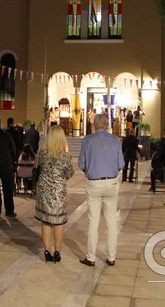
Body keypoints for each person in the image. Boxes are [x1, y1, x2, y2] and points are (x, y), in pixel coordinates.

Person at [78, 113, 124, 267]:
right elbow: (121, 163)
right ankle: (111, 257)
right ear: (106, 125)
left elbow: (81, 163)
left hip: (94, 183)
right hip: (111, 182)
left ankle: (91, 257)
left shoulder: (88, 140)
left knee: (93, 221)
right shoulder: (115, 140)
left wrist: (90, 170)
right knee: (111, 220)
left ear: (95, 125)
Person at [34, 125, 73, 263]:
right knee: (58, 222)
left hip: (44, 191)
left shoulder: (42, 153)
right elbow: (69, 174)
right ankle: (57, 251)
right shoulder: (65, 156)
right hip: (58, 192)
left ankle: (46, 250)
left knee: (46, 221)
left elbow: (36, 169)